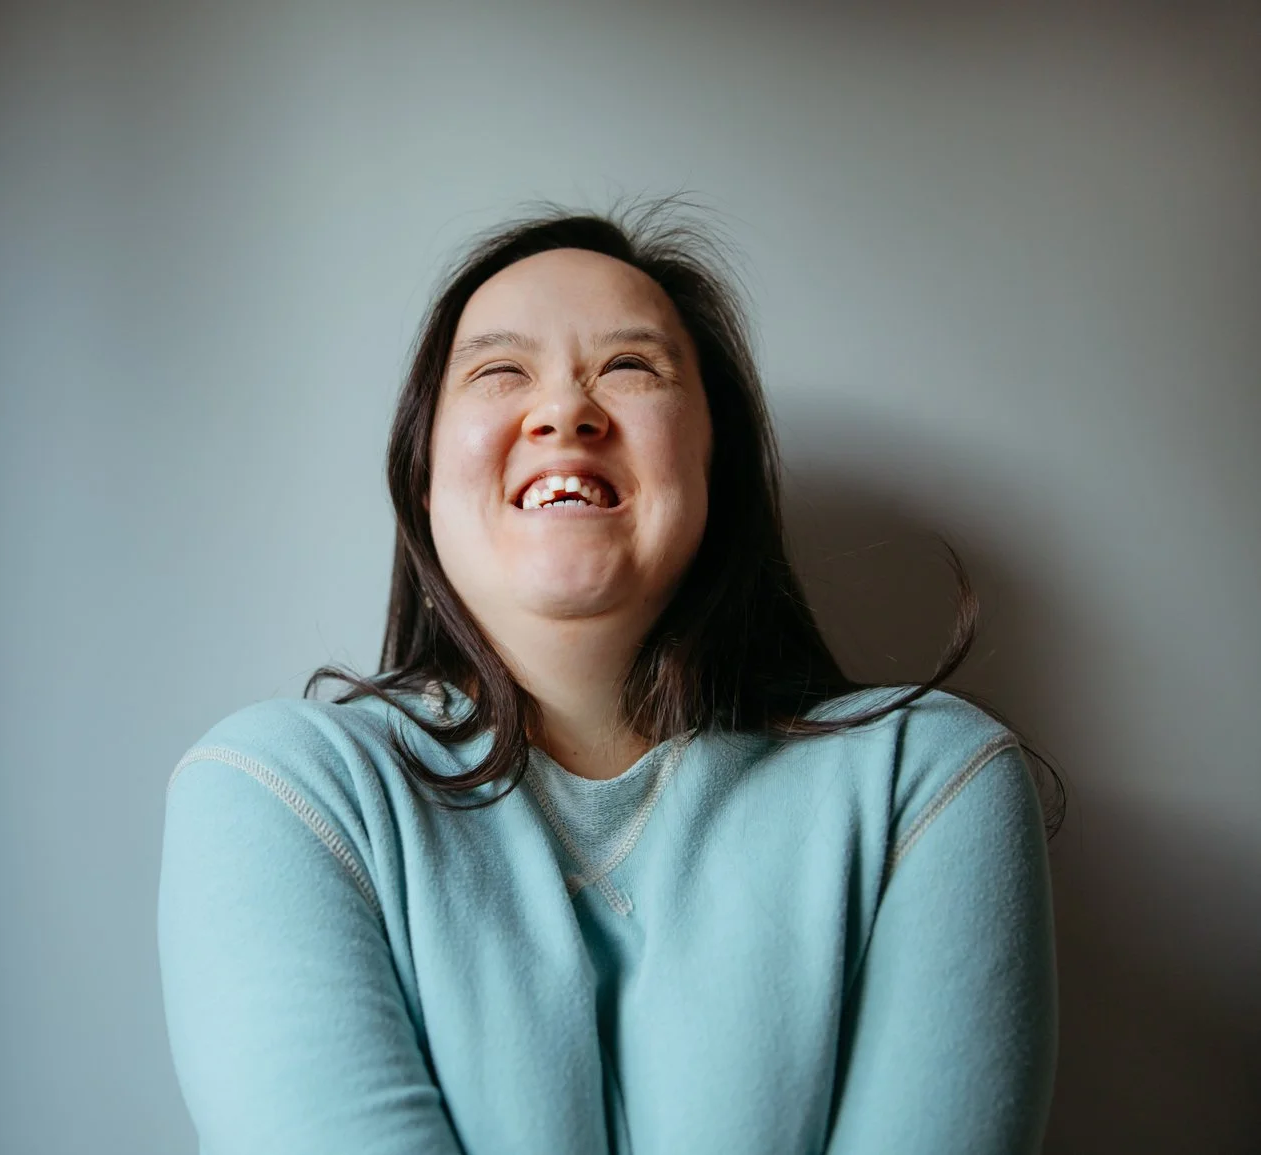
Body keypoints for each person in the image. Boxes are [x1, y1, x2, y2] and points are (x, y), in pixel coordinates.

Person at [157, 199, 1060, 1154]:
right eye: (499, 371)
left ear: (718, 466)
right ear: (425, 479)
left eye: (629, 368)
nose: (563, 412)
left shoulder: (924, 785)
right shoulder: (279, 794)